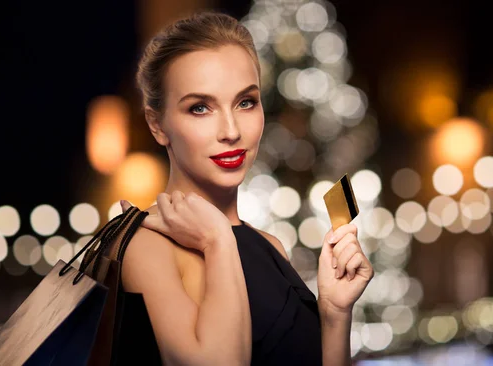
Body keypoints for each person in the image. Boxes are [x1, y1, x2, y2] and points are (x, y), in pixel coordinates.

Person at [116, 11, 374, 366]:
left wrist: (334, 313)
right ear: (157, 124)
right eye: (201, 108)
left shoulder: (271, 247)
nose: (231, 130)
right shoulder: (144, 245)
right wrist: (218, 241)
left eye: (245, 102)